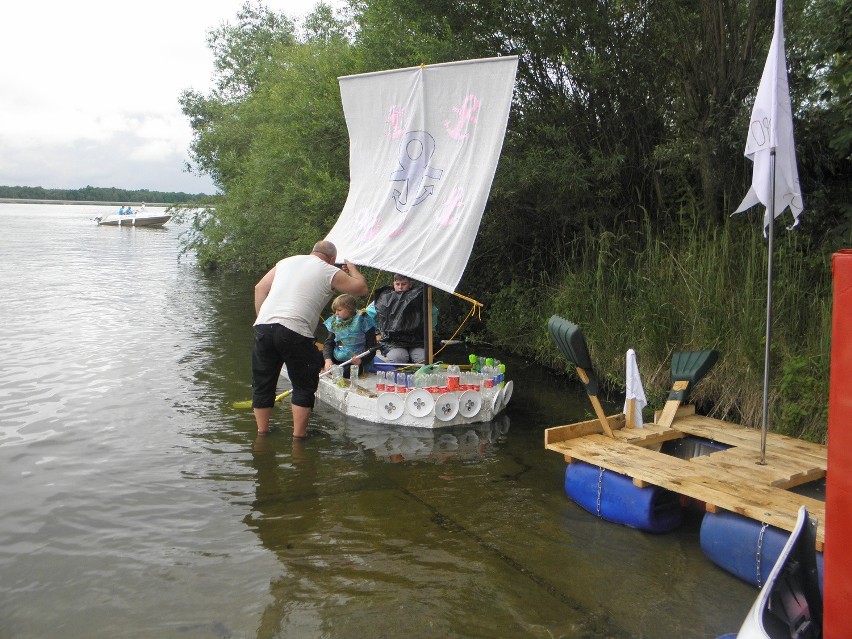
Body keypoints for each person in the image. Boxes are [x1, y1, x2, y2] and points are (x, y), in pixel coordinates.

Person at [252, 240, 368, 438]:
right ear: (332, 259)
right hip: (295, 330)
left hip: (264, 326)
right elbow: (361, 288)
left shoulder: (286, 261)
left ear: (312, 251)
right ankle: (299, 437)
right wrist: (352, 269)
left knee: (263, 383)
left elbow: (259, 288)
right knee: (304, 384)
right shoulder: (327, 269)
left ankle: (262, 433)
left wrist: (261, 319)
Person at [366, 274, 437, 364]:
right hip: (392, 341)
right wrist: (376, 333)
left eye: (404, 284)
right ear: (393, 284)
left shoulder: (419, 296)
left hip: (416, 339)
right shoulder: (385, 297)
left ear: (410, 284)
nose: (400, 287)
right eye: (397, 284)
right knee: (398, 358)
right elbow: (368, 314)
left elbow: (433, 312)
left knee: (422, 359)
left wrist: (431, 331)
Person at [322, 294, 377, 378]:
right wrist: (328, 359)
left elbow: (372, 347)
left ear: (350, 309)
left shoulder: (364, 320)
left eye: (339, 310)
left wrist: (361, 361)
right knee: (314, 360)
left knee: (346, 372)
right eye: (335, 310)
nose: (336, 313)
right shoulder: (334, 321)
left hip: (356, 361)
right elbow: (329, 342)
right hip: (337, 357)